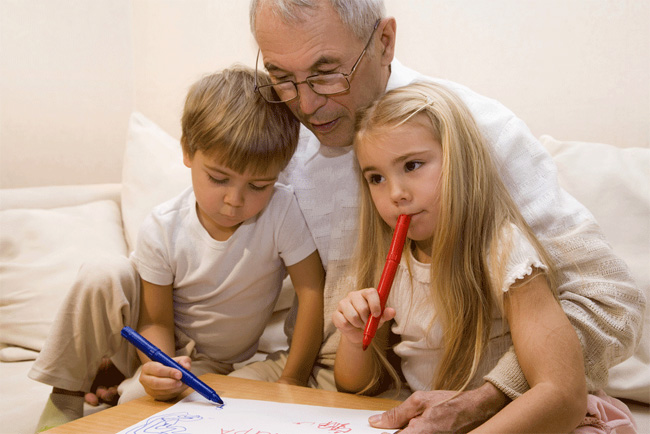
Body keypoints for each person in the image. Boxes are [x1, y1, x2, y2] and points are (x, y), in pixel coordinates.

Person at [230, 0, 645, 431]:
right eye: (281, 78)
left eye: (326, 73)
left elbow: (610, 302)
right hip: (335, 386)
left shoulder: (475, 132)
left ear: (384, 42)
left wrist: (488, 397)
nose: (307, 105)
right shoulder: (277, 136)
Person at [28, 65, 325, 432]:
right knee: (102, 273)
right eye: (219, 178)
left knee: (138, 401)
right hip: (152, 335)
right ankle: (66, 393)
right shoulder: (162, 226)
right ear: (187, 151)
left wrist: (292, 380)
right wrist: (160, 363)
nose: (235, 200)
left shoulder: (282, 211)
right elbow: (153, 320)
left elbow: (313, 291)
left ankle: (115, 375)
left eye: (259, 186)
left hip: (210, 362)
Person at [332, 81, 638, 433]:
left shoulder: (504, 250)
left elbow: (562, 397)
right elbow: (356, 386)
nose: (396, 193)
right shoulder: (391, 260)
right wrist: (356, 340)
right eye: (376, 178)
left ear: (460, 162)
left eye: (413, 165)